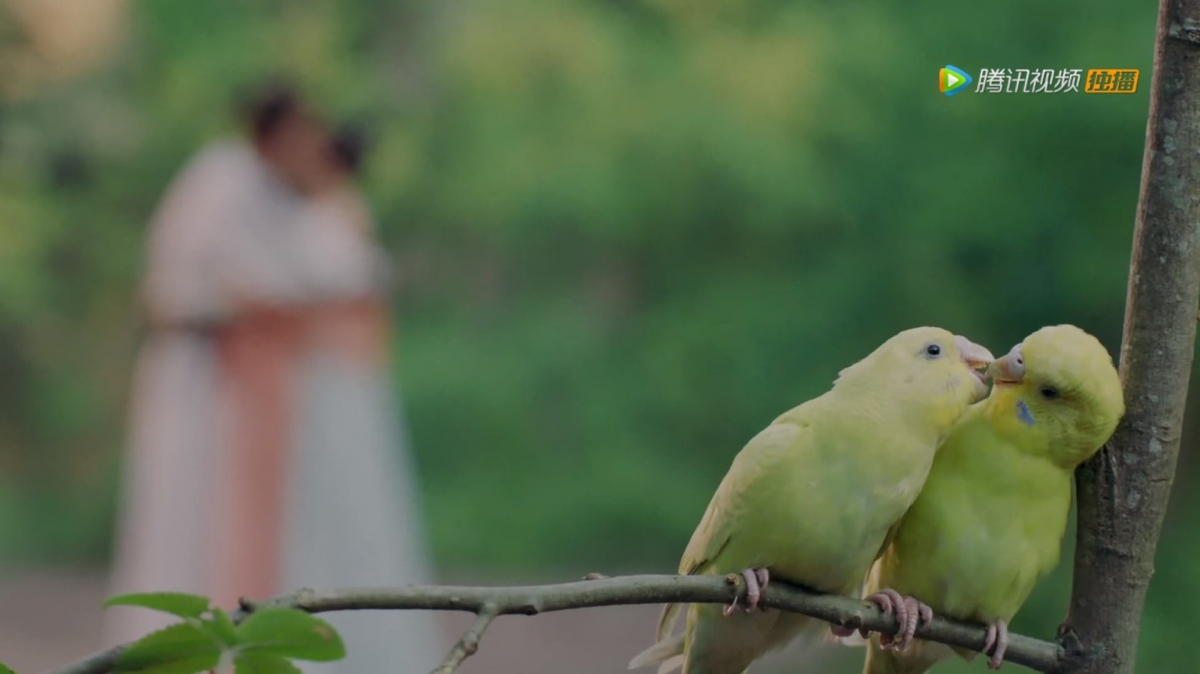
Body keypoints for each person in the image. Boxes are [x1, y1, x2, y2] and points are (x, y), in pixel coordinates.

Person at [103, 82, 445, 672]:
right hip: (214, 390)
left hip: (302, 391)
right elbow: (176, 293)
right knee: (196, 527)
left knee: (317, 531)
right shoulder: (221, 182)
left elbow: (352, 298)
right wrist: (260, 319)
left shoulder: (325, 204)